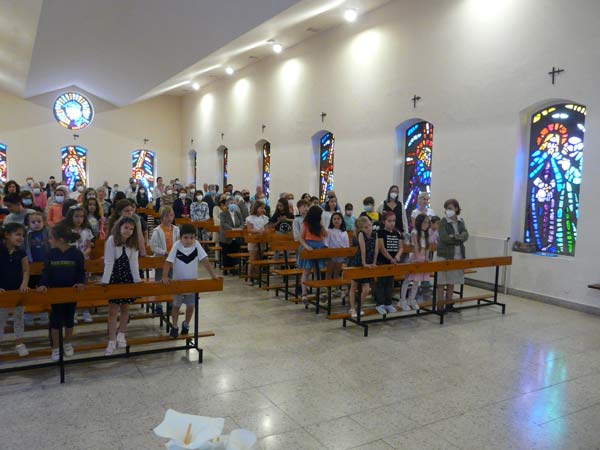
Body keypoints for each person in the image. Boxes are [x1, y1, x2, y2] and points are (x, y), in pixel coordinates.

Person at [37, 223, 85, 361]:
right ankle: (56, 347)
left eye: (51, 238)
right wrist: (43, 284)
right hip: (55, 293)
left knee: (69, 319)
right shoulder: (50, 254)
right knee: (55, 321)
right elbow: (46, 272)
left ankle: (68, 343)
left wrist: (80, 282)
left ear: (61, 239)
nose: (49, 240)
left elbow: (80, 271)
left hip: (71, 292)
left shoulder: (76, 253)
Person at [162, 223, 217, 337]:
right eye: (186, 238)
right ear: (180, 237)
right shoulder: (177, 246)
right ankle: (175, 326)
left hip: (192, 283)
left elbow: (205, 260)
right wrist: (165, 276)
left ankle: (186, 324)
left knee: (191, 306)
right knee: (176, 306)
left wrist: (212, 275)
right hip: (178, 283)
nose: (189, 240)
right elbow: (168, 262)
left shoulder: (196, 245)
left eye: (192, 237)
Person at [101, 217, 142, 355]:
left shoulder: (133, 242)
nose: (128, 231)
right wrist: (105, 281)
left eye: (131, 229)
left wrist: (137, 280)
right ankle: (112, 340)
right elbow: (108, 262)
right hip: (114, 277)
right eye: (126, 228)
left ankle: (122, 334)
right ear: (119, 227)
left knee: (125, 307)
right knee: (113, 310)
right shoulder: (111, 240)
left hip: (127, 277)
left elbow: (134, 263)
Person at [0, 223, 31, 356]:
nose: (21, 238)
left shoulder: (21, 252)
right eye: (18, 234)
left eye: (23, 235)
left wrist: (24, 284)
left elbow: (26, 270)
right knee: (1, 319)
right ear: (7, 235)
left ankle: (20, 344)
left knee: (19, 318)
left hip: (18, 291)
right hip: (3, 292)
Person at [436, 199, 468, 313]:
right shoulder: (442, 222)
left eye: (450, 208)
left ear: (456, 209)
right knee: (442, 281)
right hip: (444, 255)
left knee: (451, 281)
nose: (448, 211)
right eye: (446, 208)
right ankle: (440, 306)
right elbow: (444, 238)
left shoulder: (460, 221)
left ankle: (449, 304)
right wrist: (458, 238)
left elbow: (466, 235)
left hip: (458, 255)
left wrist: (454, 236)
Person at [399, 213, 431, 311]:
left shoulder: (426, 233)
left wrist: (426, 258)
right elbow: (416, 247)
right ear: (419, 222)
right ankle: (402, 300)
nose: (426, 224)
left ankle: (412, 299)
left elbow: (427, 247)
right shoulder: (414, 232)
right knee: (408, 280)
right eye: (424, 222)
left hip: (422, 259)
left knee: (417, 281)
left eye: (428, 222)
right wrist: (417, 258)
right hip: (415, 259)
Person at [347, 216, 378, 319]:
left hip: (369, 262)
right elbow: (363, 250)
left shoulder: (375, 234)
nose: (369, 228)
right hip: (359, 261)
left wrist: (374, 262)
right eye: (365, 227)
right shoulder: (361, 234)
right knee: (354, 286)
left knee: (366, 289)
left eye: (369, 225)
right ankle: (352, 308)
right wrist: (364, 263)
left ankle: (359, 305)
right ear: (361, 228)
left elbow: (376, 249)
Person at [297, 205, 328, 304]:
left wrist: (322, 225)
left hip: (319, 247)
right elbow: (300, 238)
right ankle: (304, 294)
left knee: (317, 271)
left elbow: (325, 234)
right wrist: (306, 246)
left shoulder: (319, 224)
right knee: (306, 271)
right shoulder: (305, 223)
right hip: (308, 247)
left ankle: (319, 292)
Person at [375, 211, 404, 315]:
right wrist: (390, 258)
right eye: (389, 221)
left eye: (394, 221)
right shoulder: (380, 232)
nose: (392, 223)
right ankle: (379, 304)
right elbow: (381, 248)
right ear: (384, 221)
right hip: (383, 261)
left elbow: (401, 247)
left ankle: (388, 303)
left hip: (393, 262)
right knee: (381, 283)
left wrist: (397, 256)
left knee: (390, 284)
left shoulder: (397, 233)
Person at [325, 212, 349, 299]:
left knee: (337, 272)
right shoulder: (329, 231)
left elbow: (346, 244)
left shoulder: (344, 232)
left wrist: (345, 253)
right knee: (329, 272)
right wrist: (328, 253)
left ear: (341, 220)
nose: (336, 220)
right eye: (334, 219)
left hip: (340, 254)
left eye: (338, 219)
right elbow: (326, 243)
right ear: (332, 220)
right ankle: (328, 289)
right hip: (331, 254)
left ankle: (336, 289)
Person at [245, 201, 269, 285]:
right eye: (261, 208)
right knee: (252, 259)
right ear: (256, 208)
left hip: (261, 240)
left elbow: (266, 228)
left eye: (263, 208)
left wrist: (265, 231)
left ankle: (257, 276)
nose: (262, 210)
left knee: (259, 258)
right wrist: (258, 231)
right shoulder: (250, 218)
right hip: (253, 240)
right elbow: (249, 229)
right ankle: (249, 278)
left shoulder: (264, 218)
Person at [219, 197, 244, 275]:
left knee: (235, 253)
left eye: (233, 203)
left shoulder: (238, 213)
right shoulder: (223, 214)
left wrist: (240, 228)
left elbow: (242, 223)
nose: (232, 205)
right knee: (226, 254)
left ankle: (235, 269)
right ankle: (226, 269)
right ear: (227, 205)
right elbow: (223, 224)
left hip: (236, 237)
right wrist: (232, 229)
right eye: (231, 203)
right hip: (226, 238)